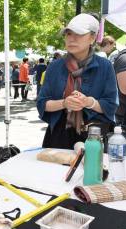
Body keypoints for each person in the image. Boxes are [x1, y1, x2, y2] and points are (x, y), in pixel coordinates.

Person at [37, 14, 118, 149]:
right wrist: (64, 103)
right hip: (59, 135)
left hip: (94, 136)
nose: (71, 39)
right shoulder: (55, 66)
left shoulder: (105, 66)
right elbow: (42, 103)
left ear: (92, 38)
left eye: (78, 34)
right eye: (68, 34)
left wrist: (89, 102)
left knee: (92, 169)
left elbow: (111, 105)